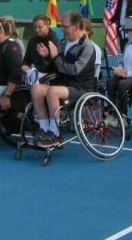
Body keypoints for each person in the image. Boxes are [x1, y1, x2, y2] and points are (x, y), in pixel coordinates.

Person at [30, 11, 97, 147]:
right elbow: (55, 67)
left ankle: (55, 134)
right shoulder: (63, 43)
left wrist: (55, 57)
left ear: (76, 27)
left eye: (65, 26)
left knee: (52, 91)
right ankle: (44, 129)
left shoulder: (88, 47)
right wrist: (47, 56)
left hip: (81, 88)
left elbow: (75, 70)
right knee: (37, 89)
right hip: (62, 85)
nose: (62, 30)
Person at [22, 14, 60, 83]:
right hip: (32, 71)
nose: (37, 30)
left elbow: (57, 65)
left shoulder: (54, 42)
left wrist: (47, 55)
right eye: (35, 27)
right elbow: (26, 59)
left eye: (40, 27)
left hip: (48, 74)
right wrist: (24, 65)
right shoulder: (32, 41)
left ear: (47, 26)